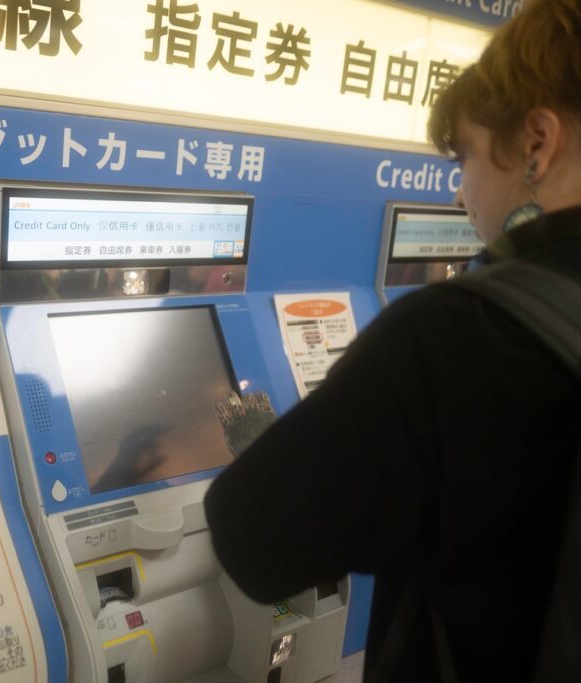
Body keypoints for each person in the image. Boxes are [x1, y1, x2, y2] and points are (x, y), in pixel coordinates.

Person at [204, 1, 581, 680]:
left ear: (537, 142)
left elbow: (256, 538)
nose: (462, 193)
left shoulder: (464, 332)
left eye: (464, 155)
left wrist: (254, 437)